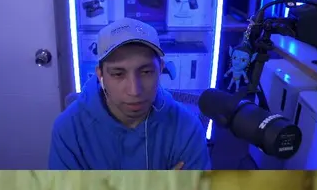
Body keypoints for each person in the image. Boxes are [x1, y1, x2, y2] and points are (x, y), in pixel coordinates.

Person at [48, 18, 210, 170]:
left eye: (146, 72)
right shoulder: (69, 130)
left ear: (160, 69)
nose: (134, 91)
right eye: (118, 74)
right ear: (100, 75)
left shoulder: (187, 129)